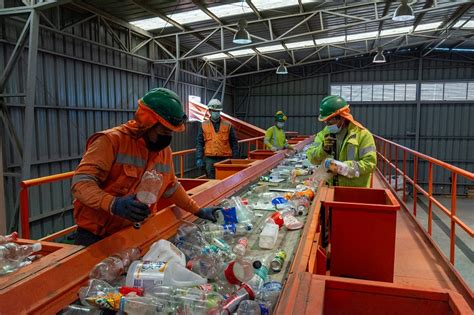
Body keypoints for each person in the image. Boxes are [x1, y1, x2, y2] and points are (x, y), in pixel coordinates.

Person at [71, 88, 221, 246]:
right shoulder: (110, 142)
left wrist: (198, 211)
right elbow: (81, 183)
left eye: (171, 132)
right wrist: (113, 204)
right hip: (96, 237)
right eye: (164, 131)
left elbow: (171, 187)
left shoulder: (164, 152)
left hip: (135, 233)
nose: (167, 137)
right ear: (148, 122)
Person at [306, 95, 376, 187]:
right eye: (325, 120)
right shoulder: (323, 135)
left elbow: (370, 164)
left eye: (330, 120)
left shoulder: (363, 135)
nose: (327, 123)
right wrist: (323, 149)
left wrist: (341, 167)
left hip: (354, 191)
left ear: (342, 117)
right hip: (330, 188)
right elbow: (312, 159)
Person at [196, 99, 239, 179]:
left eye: (218, 111)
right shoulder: (203, 125)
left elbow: (234, 143)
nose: (216, 113)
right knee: (211, 181)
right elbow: (199, 143)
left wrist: (235, 158)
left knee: (225, 180)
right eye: (214, 111)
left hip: (225, 158)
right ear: (210, 111)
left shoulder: (228, 125)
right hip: (210, 159)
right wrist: (199, 157)